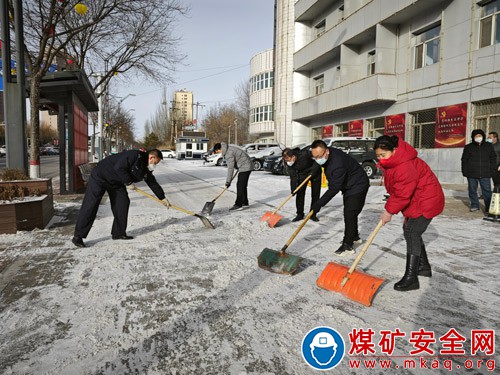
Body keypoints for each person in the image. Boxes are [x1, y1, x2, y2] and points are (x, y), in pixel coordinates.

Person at [375, 135, 444, 291]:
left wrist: (389, 211)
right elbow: (399, 190)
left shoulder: (404, 165)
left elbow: (402, 194)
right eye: (378, 155)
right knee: (411, 231)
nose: (380, 158)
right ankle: (423, 267)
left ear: (394, 150)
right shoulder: (394, 162)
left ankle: (411, 278)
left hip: (426, 200)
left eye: (383, 155)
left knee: (411, 232)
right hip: (417, 199)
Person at [72, 149, 168, 247]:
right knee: (91, 205)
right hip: (100, 177)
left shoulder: (145, 168)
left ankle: (118, 233)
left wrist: (162, 197)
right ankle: (78, 237)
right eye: (155, 162)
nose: (155, 165)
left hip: (116, 182)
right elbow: (119, 167)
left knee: (122, 203)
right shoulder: (134, 155)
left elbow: (152, 182)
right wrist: (128, 182)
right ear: (151, 157)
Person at [310, 140, 370, 256]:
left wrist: (319, 204)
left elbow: (334, 188)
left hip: (358, 185)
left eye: (319, 156)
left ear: (326, 151)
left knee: (349, 213)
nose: (317, 159)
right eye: (315, 157)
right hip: (348, 185)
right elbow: (319, 163)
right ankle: (354, 236)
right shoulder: (327, 155)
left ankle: (347, 245)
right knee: (350, 213)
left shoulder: (337, 164)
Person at [282, 147, 322, 222]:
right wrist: (293, 189)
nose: (287, 162)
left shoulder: (305, 154)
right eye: (285, 160)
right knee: (300, 192)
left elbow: (318, 158)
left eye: (288, 159)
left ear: (293, 156)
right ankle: (300, 214)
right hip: (303, 174)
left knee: (315, 193)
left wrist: (314, 170)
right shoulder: (289, 164)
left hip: (315, 172)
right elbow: (293, 177)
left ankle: (313, 214)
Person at [461, 129, 496, 212]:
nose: (478, 137)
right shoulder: (468, 147)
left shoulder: (488, 146)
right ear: (473, 137)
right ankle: (474, 205)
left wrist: (492, 170)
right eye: (476, 136)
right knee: (472, 190)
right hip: (471, 173)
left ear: (483, 136)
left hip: (485, 173)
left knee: (487, 191)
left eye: (480, 136)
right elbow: (464, 160)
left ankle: (488, 208)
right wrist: (464, 171)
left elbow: (493, 158)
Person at [213, 142, 252, 211]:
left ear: (219, 149)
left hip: (245, 166)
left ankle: (238, 204)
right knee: (242, 185)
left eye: (217, 151)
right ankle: (245, 202)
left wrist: (228, 181)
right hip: (245, 165)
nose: (219, 153)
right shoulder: (228, 147)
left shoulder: (228, 153)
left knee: (240, 186)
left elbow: (230, 169)